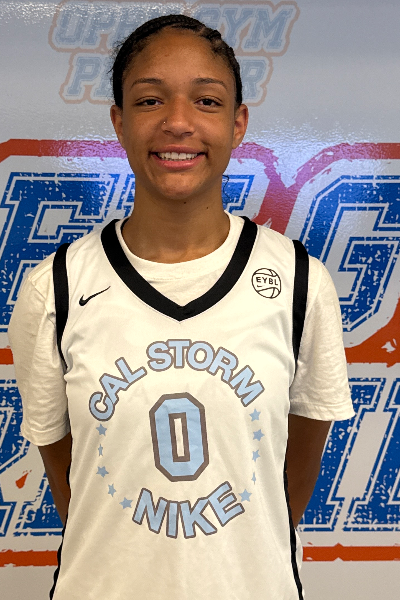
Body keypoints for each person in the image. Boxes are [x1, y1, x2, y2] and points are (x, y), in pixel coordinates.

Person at [9, 13, 354, 600]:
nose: (177, 122)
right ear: (119, 122)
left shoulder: (299, 282)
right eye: (149, 100)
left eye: (207, 101)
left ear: (238, 123)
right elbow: (71, 481)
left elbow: (295, 470)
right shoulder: (57, 288)